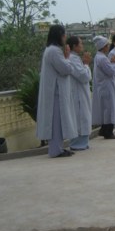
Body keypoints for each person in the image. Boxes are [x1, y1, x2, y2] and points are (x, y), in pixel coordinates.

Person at [36, 25, 77, 158]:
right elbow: (66, 69)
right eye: (64, 35)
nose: (65, 38)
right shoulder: (54, 51)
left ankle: (58, 148)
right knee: (56, 123)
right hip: (55, 94)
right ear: (59, 36)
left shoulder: (51, 50)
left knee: (58, 122)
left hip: (55, 92)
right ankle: (55, 150)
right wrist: (67, 57)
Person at [92, 36, 115, 139]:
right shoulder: (102, 58)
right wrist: (114, 63)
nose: (108, 47)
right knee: (109, 109)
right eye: (107, 45)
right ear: (103, 47)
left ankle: (104, 129)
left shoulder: (99, 57)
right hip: (106, 86)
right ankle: (108, 131)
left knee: (105, 109)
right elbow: (111, 71)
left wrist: (111, 62)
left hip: (104, 86)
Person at [67, 36, 92, 151]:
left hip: (81, 92)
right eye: (80, 44)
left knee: (84, 116)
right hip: (77, 94)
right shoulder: (73, 59)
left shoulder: (75, 58)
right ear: (74, 46)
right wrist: (86, 64)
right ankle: (77, 143)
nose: (82, 46)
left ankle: (83, 142)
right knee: (81, 117)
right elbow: (84, 76)